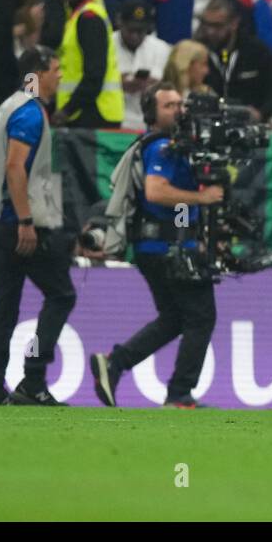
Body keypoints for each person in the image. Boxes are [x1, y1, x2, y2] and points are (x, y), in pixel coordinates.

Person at [90, 83, 225, 409]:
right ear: (151, 114)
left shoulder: (173, 145)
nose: (178, 109)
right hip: (169, 247)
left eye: (180, 103)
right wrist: (201, 198)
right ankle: (179, 393)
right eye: (168, 105)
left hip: (156, 246)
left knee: (173, 318)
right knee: (201, 316)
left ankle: (115, 363)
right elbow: (155, 191)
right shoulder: (161, 146)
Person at [0, 46, 76, 406]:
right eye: (55, 69)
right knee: (61, 295)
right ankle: (33, 379)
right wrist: (27, 221)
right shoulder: (30, 113)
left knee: (4, 305)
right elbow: (16, 168)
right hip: (19, 224)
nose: (59, 76)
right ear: (38, 73)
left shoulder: (10, 105)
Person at [42, 0, 125, 128]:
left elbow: (95, 73)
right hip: (83, 112)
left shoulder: (89, 18)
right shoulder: (76, 15)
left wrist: (67, 110)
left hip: (95, 112)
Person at [196, 0, 272, 120]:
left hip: (250, 123)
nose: (210, 32)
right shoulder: (198, 50)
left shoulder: (257, 51)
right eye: (207, 25)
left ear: (234, 23)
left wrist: (261, 113)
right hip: (207, 121)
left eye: (217, 26)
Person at [114, 0, 171, 115]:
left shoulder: (161, 48)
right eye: (130, 30)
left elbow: (171, 85)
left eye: (140, 31)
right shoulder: (106, 44)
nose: (135, 36)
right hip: (116, 117)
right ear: (120, 23)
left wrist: (154, 86)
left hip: (148, 119)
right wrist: (120, 83)